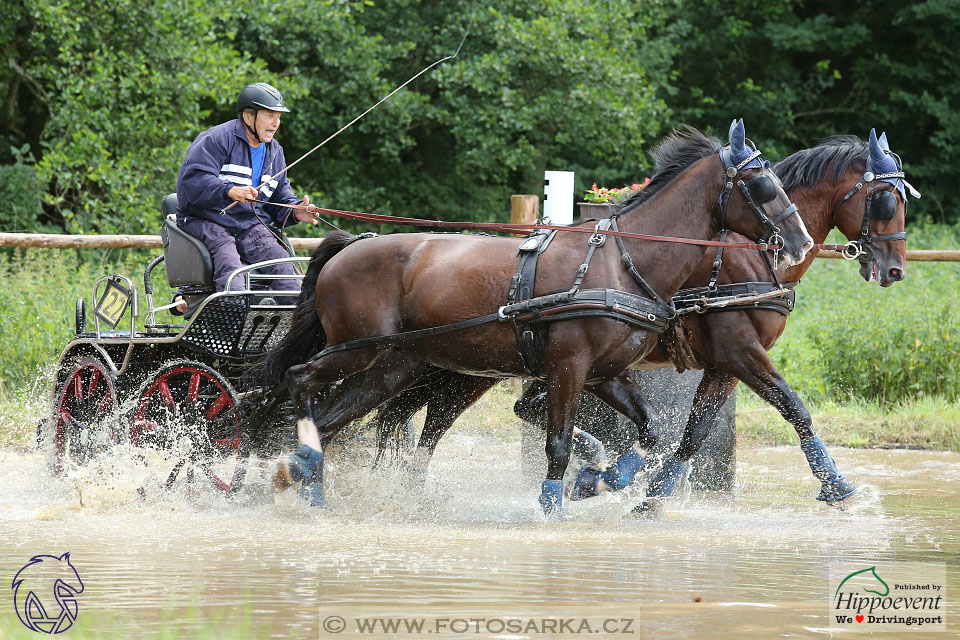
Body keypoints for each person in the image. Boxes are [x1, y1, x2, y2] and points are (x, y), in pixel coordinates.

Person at [173, 82, 319, 312]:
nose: (276, 123)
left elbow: (279, 197)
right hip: (208, 220)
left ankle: (290, 334)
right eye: (269, 115)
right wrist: (228, 190)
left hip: (249, 224)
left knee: (285, 269)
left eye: (278, 116)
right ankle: (228, 329)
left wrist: (295, 210)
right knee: (232, 270)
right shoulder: (217, 139)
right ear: (248, 116)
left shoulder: (275, 151)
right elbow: (190, 183)